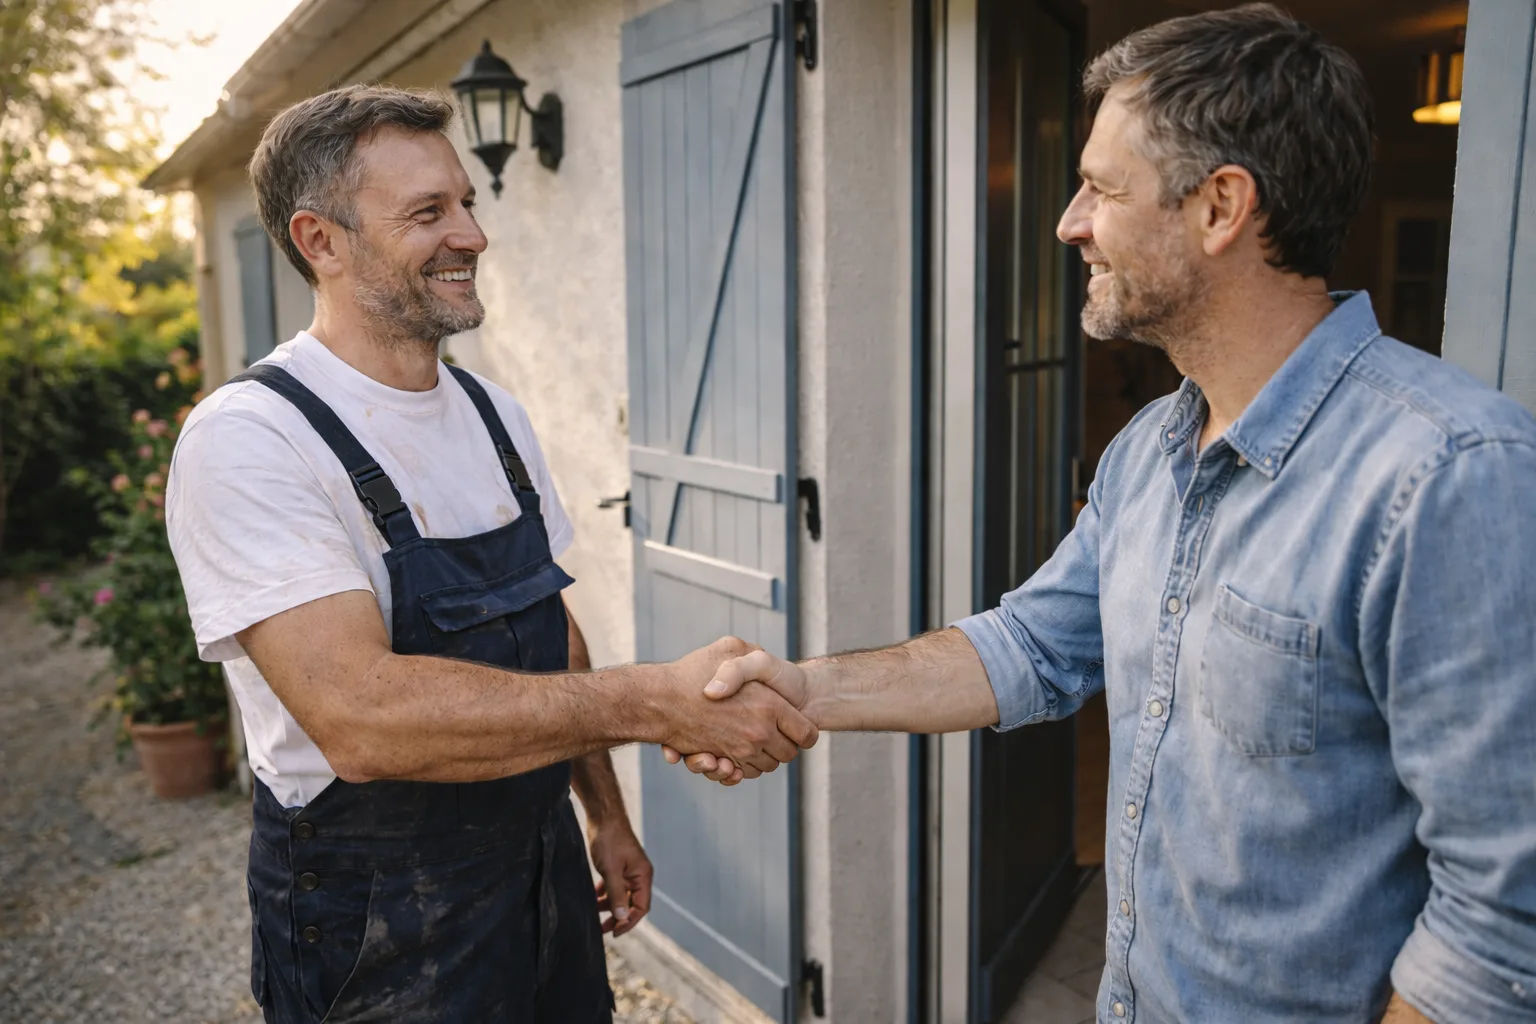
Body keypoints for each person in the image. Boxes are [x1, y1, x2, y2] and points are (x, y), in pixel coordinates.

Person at [666, 6, 1536, 1023]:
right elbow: (1033, 645)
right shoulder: (1150, 450)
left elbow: (1501, 913)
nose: (1068, 221)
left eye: (1100, 189)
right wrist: (800, 688)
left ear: (1220, 207)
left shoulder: (1450, 474)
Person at [165, 85, 817, 1024]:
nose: (472, 234)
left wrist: (606, 817)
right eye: (428, 212)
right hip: (376, 912)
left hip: (540, 862)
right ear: (321, 241)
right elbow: (361, 720)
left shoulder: (491, 414)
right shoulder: (253, 439)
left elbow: (551, 626)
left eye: (467, 202)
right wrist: (656, 702)